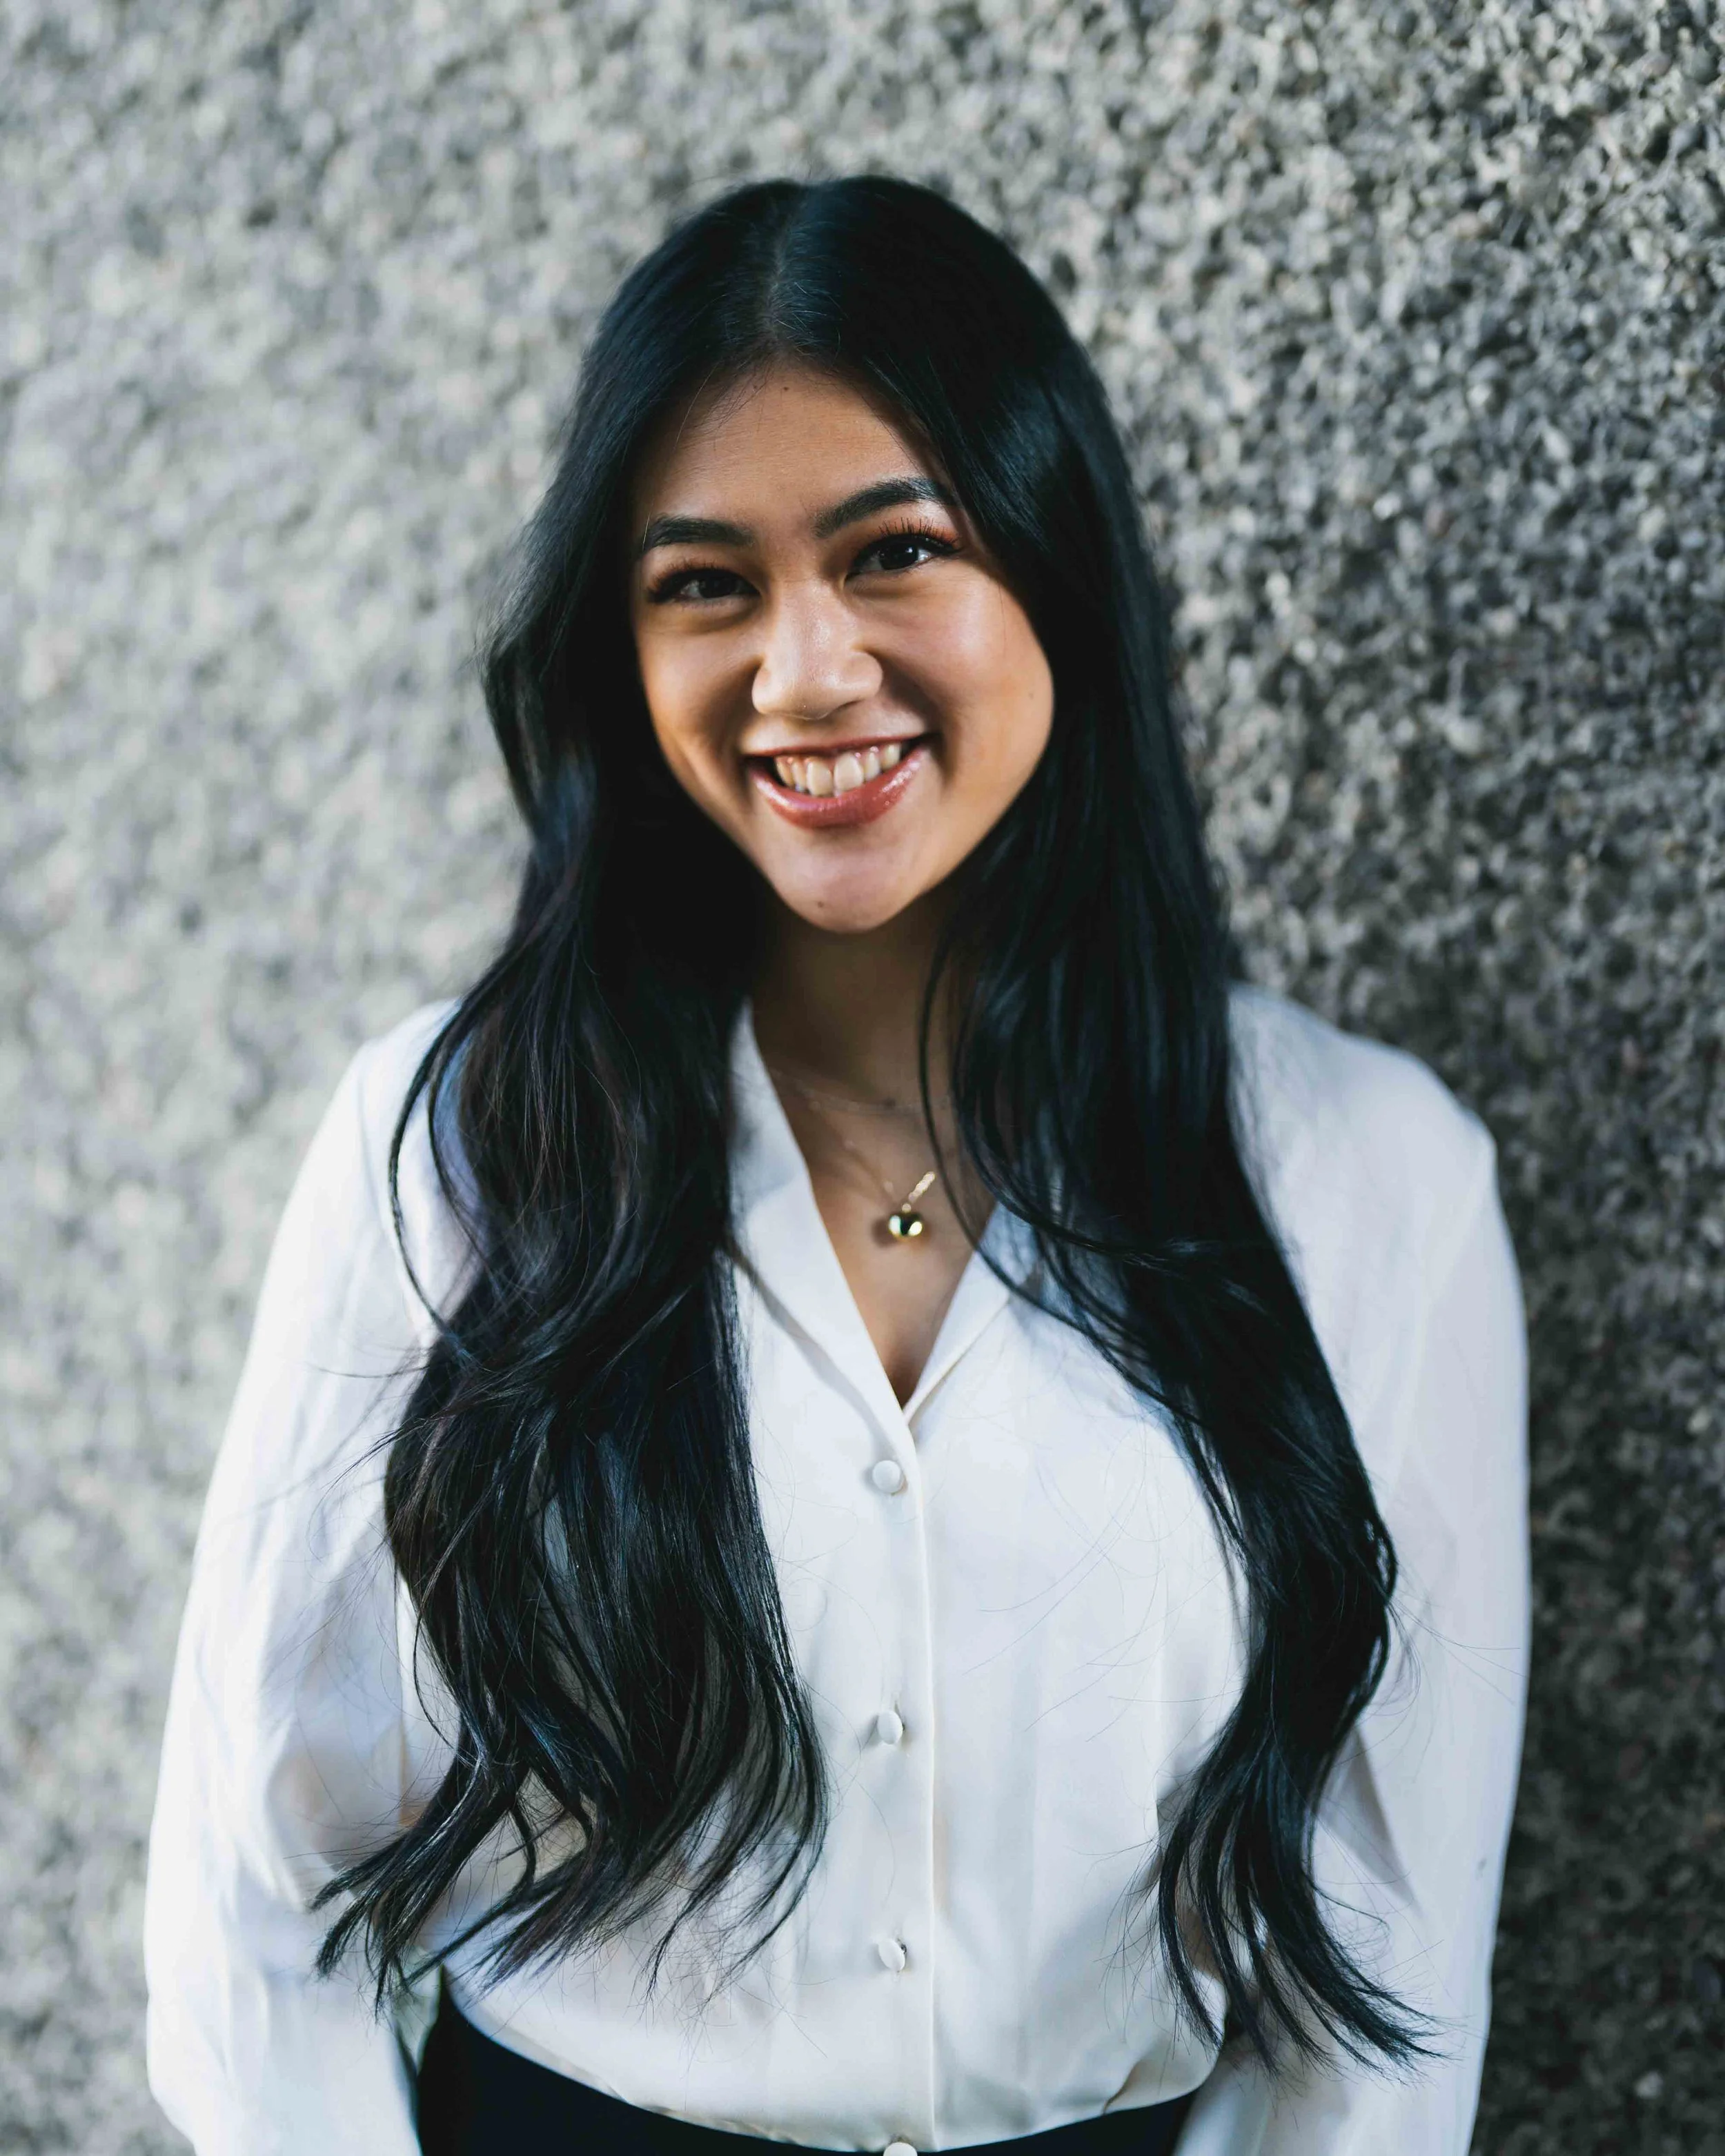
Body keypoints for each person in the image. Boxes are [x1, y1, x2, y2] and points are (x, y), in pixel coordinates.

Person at [144, 176, 1528, 2156]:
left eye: (894, 550)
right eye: (702, 582)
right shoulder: (448, 1141)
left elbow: (1387, 1972)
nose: (801, 671)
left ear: (1054, 571)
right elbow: (248, 1898)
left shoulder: (1367, 1175)